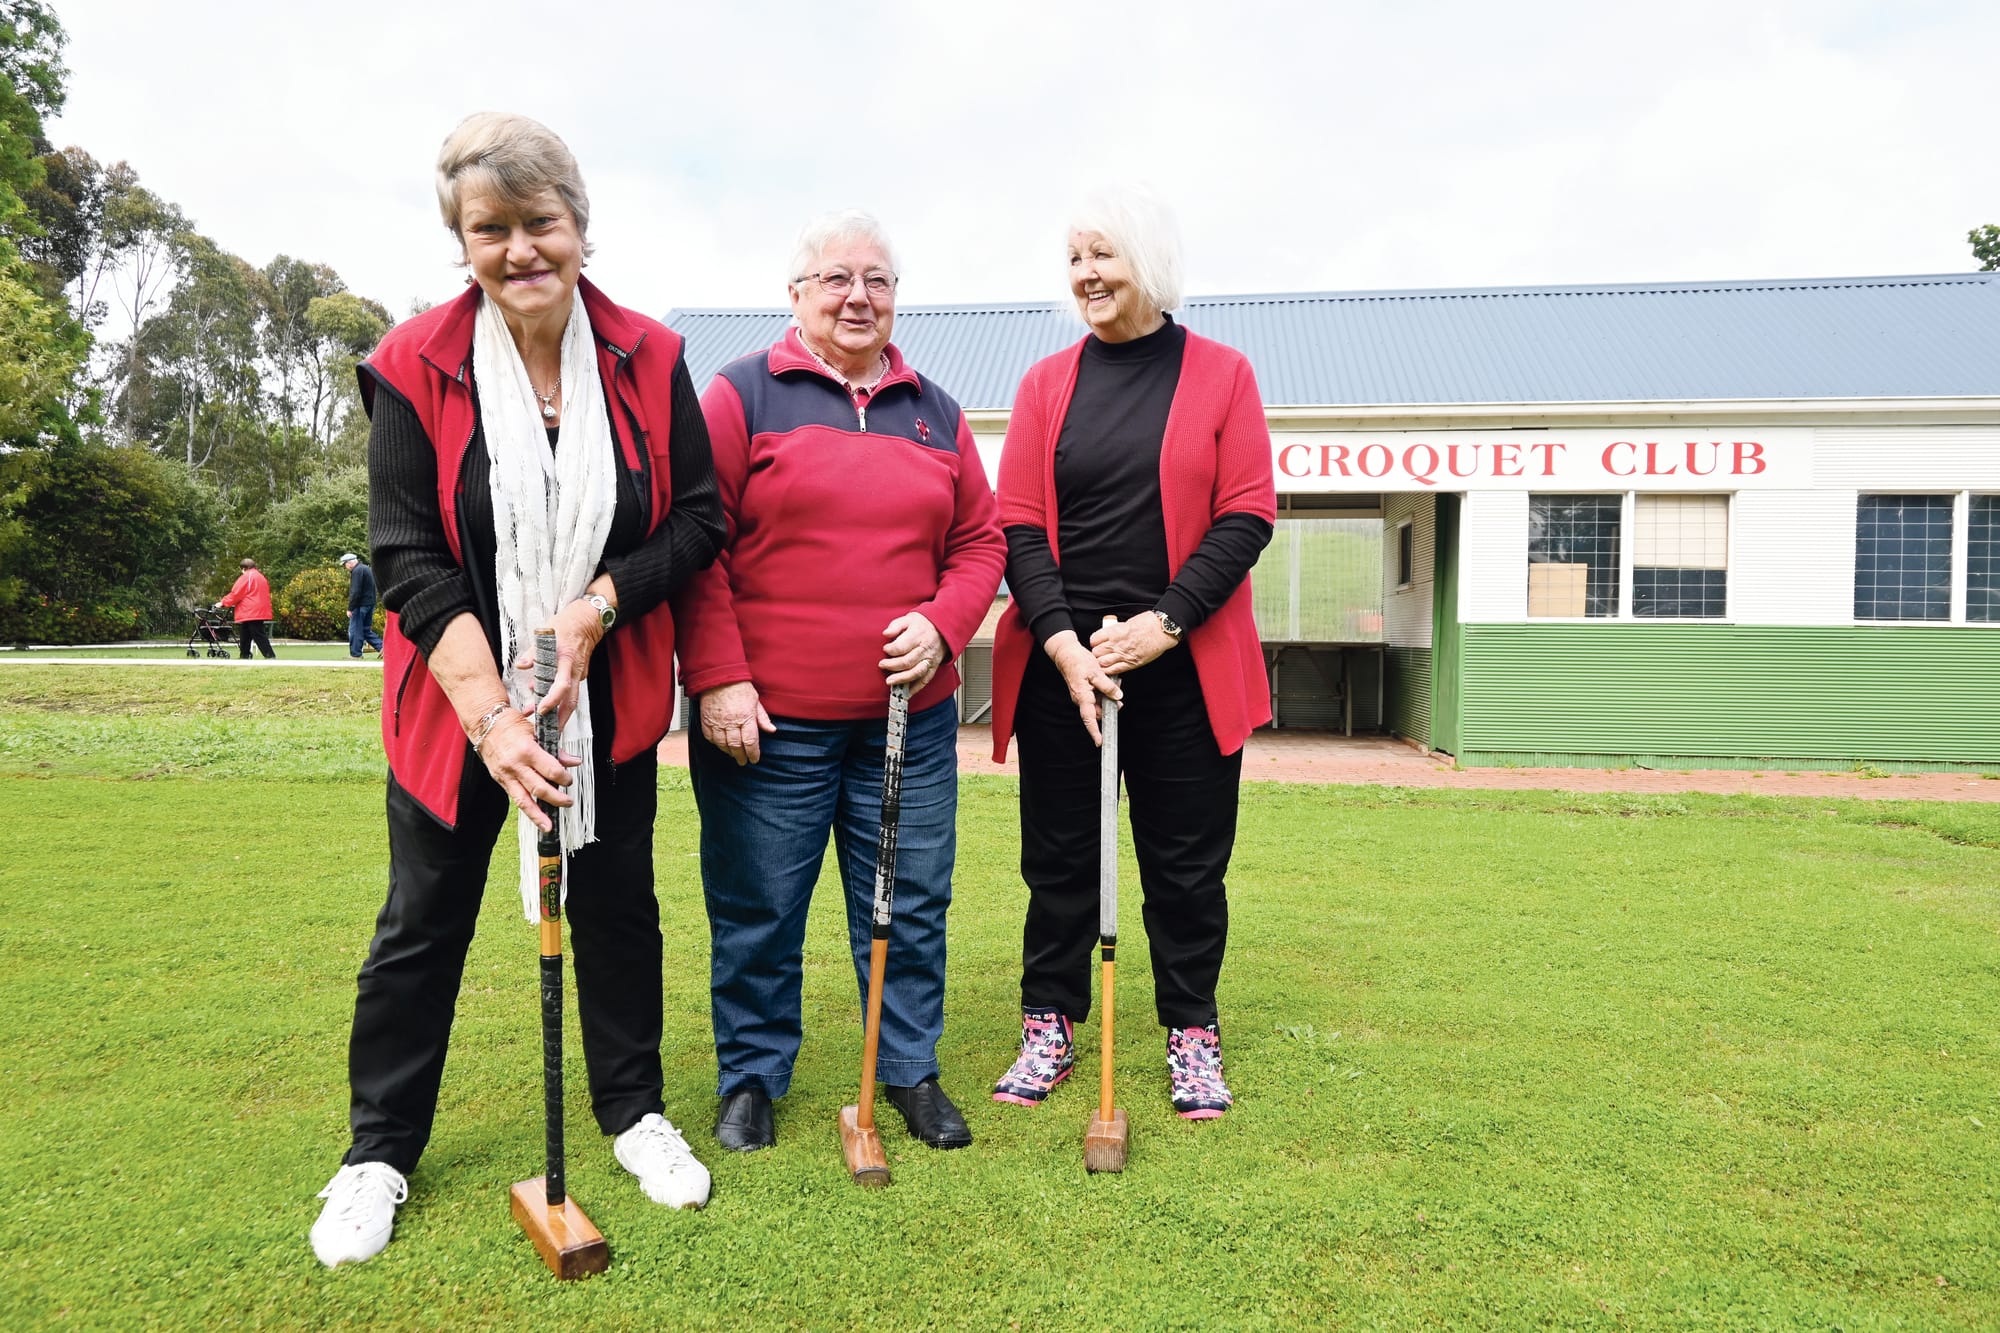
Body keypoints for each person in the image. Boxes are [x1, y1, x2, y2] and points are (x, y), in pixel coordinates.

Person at [308, 112, 727, 1268]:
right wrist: (492, 716)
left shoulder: (650, 356)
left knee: (618, 911)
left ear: (580, 227)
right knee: (419, 927)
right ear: (462, 241)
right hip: (459, 711)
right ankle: (378, 1152)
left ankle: (632, 1111)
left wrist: (598, 603)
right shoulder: (412, 362)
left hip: (606, 699)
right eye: (488, 229)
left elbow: (695, 519)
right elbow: (406, 555)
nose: (518, 249)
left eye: (539, 223)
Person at [673, 211, 1005, 1154]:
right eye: (837, 278)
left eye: (879, 280)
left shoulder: (936, 410)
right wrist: (720, 678)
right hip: (764, 723)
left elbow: (980, 541)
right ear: (797, 294)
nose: (859, 296)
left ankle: (905, 1070)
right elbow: (699, 546)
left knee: (906, 900)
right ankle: (751, 1077)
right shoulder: (743, 394)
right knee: (758, 904)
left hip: (909, 724)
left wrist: (945, 626)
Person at [987, 188, 1275, 1120]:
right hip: (1068, 665)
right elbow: (1020, 526)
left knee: (1186, 863)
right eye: (1073, 258)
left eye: (1101, 254)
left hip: (1182, 660)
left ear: (1146, 260)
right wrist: (1068, 645)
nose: (1085, 274)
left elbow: (1246, 515)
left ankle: (1192, 1031)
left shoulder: (1223, 374)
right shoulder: (1042, 386)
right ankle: (1049, 1024)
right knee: (1060, 855)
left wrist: (1164, 623)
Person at [216, 557, 276, 659]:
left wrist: (223, 602)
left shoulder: (246, 577)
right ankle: (244, 655)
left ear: (244, 568)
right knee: (245, 634)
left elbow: (236, 593)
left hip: (251, 611)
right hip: (259, 610)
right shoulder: (261, 577)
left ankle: (270, 655)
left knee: (257, 634)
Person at [341, 553, 383, 658]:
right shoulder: (366, 568)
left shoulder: (357, 571)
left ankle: (356, 655)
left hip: (360, 606)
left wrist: (350, 608)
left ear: (349, 563)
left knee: (354, 630)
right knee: (365, 630)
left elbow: (355, 592)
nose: (345, 567)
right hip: (370, 604)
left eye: (344, 564)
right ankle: (383, 648)